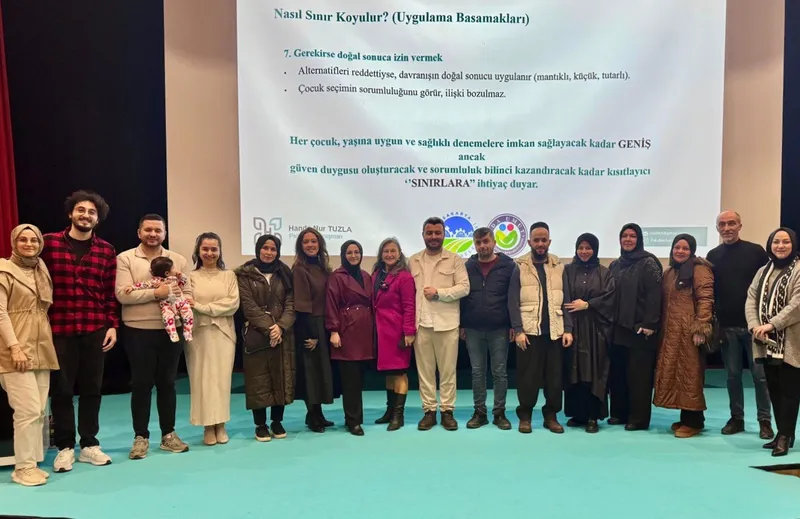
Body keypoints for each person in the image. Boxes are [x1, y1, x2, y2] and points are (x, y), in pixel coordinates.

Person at [40, 190, 118, 473]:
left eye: (92, 212)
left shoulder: (106, 251)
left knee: (91, 389)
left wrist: (112, 325)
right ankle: (64, 447)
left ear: (98, 219)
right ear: (70, 213)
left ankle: (89, 445)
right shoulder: (48, 243)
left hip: (95, 327)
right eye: (81, 210)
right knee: (61, 390)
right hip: (58, 328)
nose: (86, 215)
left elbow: (109, 293)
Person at [115, 214, 191, 459]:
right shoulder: (126, 258)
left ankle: (168, 434)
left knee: (168, 383)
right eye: (148, 230)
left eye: (158, 230)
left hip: (172, 330)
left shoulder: (177, 259)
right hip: (138, 330)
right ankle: (141, 437)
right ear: (139, 232)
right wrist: (157, 293)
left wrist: (183, 302)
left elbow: (187, 290)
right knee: (142, 384)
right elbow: (123, 294)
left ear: (164, 234)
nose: (153, 234)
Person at [0, 224, 59, 486]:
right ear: (14, 242)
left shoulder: (40, 268)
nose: (29, 244)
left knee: (39, 409)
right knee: (26, 410)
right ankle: (23, 467)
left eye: (34, 240)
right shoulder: (4, 270)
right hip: (15, 347)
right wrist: (14, 347)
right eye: (23, 239)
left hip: (41, 345)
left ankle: (32, 462)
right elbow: (0, 313)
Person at [707, 210, 773, 438]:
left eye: (731, 223)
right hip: (727, 327)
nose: (727, 228)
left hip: (755, 327)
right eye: (722, 224)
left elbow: (768, 284)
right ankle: (737, 418)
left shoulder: (756, 252)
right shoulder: (713, 255)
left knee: (760, 377)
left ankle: (765, 421)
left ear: (740, 226)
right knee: (733, 375)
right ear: (717, 229)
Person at [510, 222, 574, 434]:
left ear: (549, 242)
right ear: (529, 242)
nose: (540, 244)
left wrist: (568, 328)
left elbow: (566, 298)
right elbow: (512, 301)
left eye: (543, 240)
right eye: (536, 240)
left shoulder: (559, 267)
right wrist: (518, 330)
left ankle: (551, 416)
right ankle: (525, 416)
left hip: (555, 332)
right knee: (527, 378)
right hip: (529, 332)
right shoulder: (519, 266)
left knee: (554, 379)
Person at [409, 217, 470, 431]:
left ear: (444, 235)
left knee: (447, 372)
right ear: (423, 235)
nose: (433, 237)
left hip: (447, 324)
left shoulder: (455, 259)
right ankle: (429, 411)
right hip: (420, 324)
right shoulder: (413, 260)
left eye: (437, 233)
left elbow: (464, 287)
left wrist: (439, 294)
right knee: (424, 373)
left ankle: (447, 411)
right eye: (429, 233)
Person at [653, 234, 715, 438]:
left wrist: (701, 328)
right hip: (672, 333)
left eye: (685, 248)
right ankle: (688, 417)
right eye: (677, 247)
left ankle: (693, 422)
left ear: (692, 251)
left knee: (691, 375)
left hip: (690, 333)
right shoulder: (670, 272)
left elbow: (706, 299)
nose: (680, 251)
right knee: (678, 375)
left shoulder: (700, 270)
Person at [746, 227, 800, 457]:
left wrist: (772, 325)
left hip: (791, 342)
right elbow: (751, 298)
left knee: (789, 391)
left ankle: (785, 436)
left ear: (793, 244)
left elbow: (797, 304)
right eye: (776, 241)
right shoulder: (763, 270)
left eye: (785, 242)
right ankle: (782, 433)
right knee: (775, 389)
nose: (780, 246)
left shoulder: (798, 269)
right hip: (765, 342)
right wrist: (754, 325)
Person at [459, 227, 520, 430]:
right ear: (474, 245)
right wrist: (461, 324)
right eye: (478, 243)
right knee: (477, 372)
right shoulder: (467, 266)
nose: (482, 246)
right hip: (473, 328)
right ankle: (480, 413)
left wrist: (513, 324)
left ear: (494, 242)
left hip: (499, 328)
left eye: (486, 241)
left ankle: (499, 413)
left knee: (499, 372)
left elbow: (513, 297)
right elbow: (462, 298)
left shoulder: (509, 266)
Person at [236, 234, 295, 441]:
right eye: (265, 248)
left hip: (282, 335)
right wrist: (270, 328)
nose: (269, 252)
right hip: (257, 334)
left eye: (273, 249)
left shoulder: (284, 273)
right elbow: (248, 306)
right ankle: (260, 424)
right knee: (258, 379)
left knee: (280, 377)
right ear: (258, 249)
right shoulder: (245, 273)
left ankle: (277, 421)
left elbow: (291, 303)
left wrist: (281, 327)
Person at [608, 223, 663, 431]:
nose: (628, 239)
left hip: (640, 329)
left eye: (632, 236)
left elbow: (655, 295)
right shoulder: (615, 265)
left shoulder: (649, 263)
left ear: (639, 239)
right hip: (618, 328)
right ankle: (619, 413)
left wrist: (650, 323)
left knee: (638, 377)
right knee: (618, 374)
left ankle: (638, 419)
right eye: (624, 236)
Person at [186, 233, 239, 445]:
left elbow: (232, 304)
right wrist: (200, 308)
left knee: (221, 381)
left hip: (224, 333)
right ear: (198, 251)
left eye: (214, 249)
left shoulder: (229, 276)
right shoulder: (190, 277)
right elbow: (187, 303)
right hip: (198, 334)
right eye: (205, 249)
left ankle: (221, 424)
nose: (209, 253)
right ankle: (208, 425)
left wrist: (202, 307)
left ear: (220, 252)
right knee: (201, 380)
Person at [563, 233, 615, 433]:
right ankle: (578, 414)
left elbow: (611, 298)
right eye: (581, 248)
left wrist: (588, 304)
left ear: (595, 249)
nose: (584, 252)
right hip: (573, 327)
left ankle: (593, 416)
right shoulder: (567, 271)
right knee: (574, 370)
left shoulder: (604, 273)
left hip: (596, 329)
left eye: (588, 248)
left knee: (594, 370)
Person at [326, 240, 374, 436]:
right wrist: (333, 330)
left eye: (357, 252)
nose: (354, 256)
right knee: (350, 381)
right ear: (343, 255)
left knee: (359, 379)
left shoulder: (366, 276)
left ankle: (353, 417)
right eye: (349, 252)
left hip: (365, 331)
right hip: (346, 332)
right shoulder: (337, 277)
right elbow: (331, 304)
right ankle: (353, 421)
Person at [292, 227, 337, 433]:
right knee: (310, 373)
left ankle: (318, 414)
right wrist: (311, 334)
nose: (310, 245)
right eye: (306, 242)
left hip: (324, 325)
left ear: (320, 244)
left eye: (314, 241)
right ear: (300, 246)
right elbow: (302, 305)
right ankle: (312, 416)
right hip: (310, 326)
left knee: (321, 373)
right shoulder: (299, 270)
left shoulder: (323, 268)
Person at [372, 237, 416, 431]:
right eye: (386, 251)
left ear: (399, 254)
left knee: (399, 372)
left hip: (397, 331)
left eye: (393, 251)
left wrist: (409, 331)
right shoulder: (376, 275)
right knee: (388, 372)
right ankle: (390, 411)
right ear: (381, 255)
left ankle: (399, 415)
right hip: (381, 332)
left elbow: (409, 306)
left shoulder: (404, 277)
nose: (389, 254)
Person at [124, 256, 194, 342]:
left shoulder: (175, 278)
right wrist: (132, 287)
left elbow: (183, 283)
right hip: (166, 304)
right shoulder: (156, 281)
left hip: (180, 301)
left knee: (188, 313)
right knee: (167, 317)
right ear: (167, 273)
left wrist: (181, 276)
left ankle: (188, 332)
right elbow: (144, 284)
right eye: (173, 268)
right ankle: (173, 333)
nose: (175, 269)